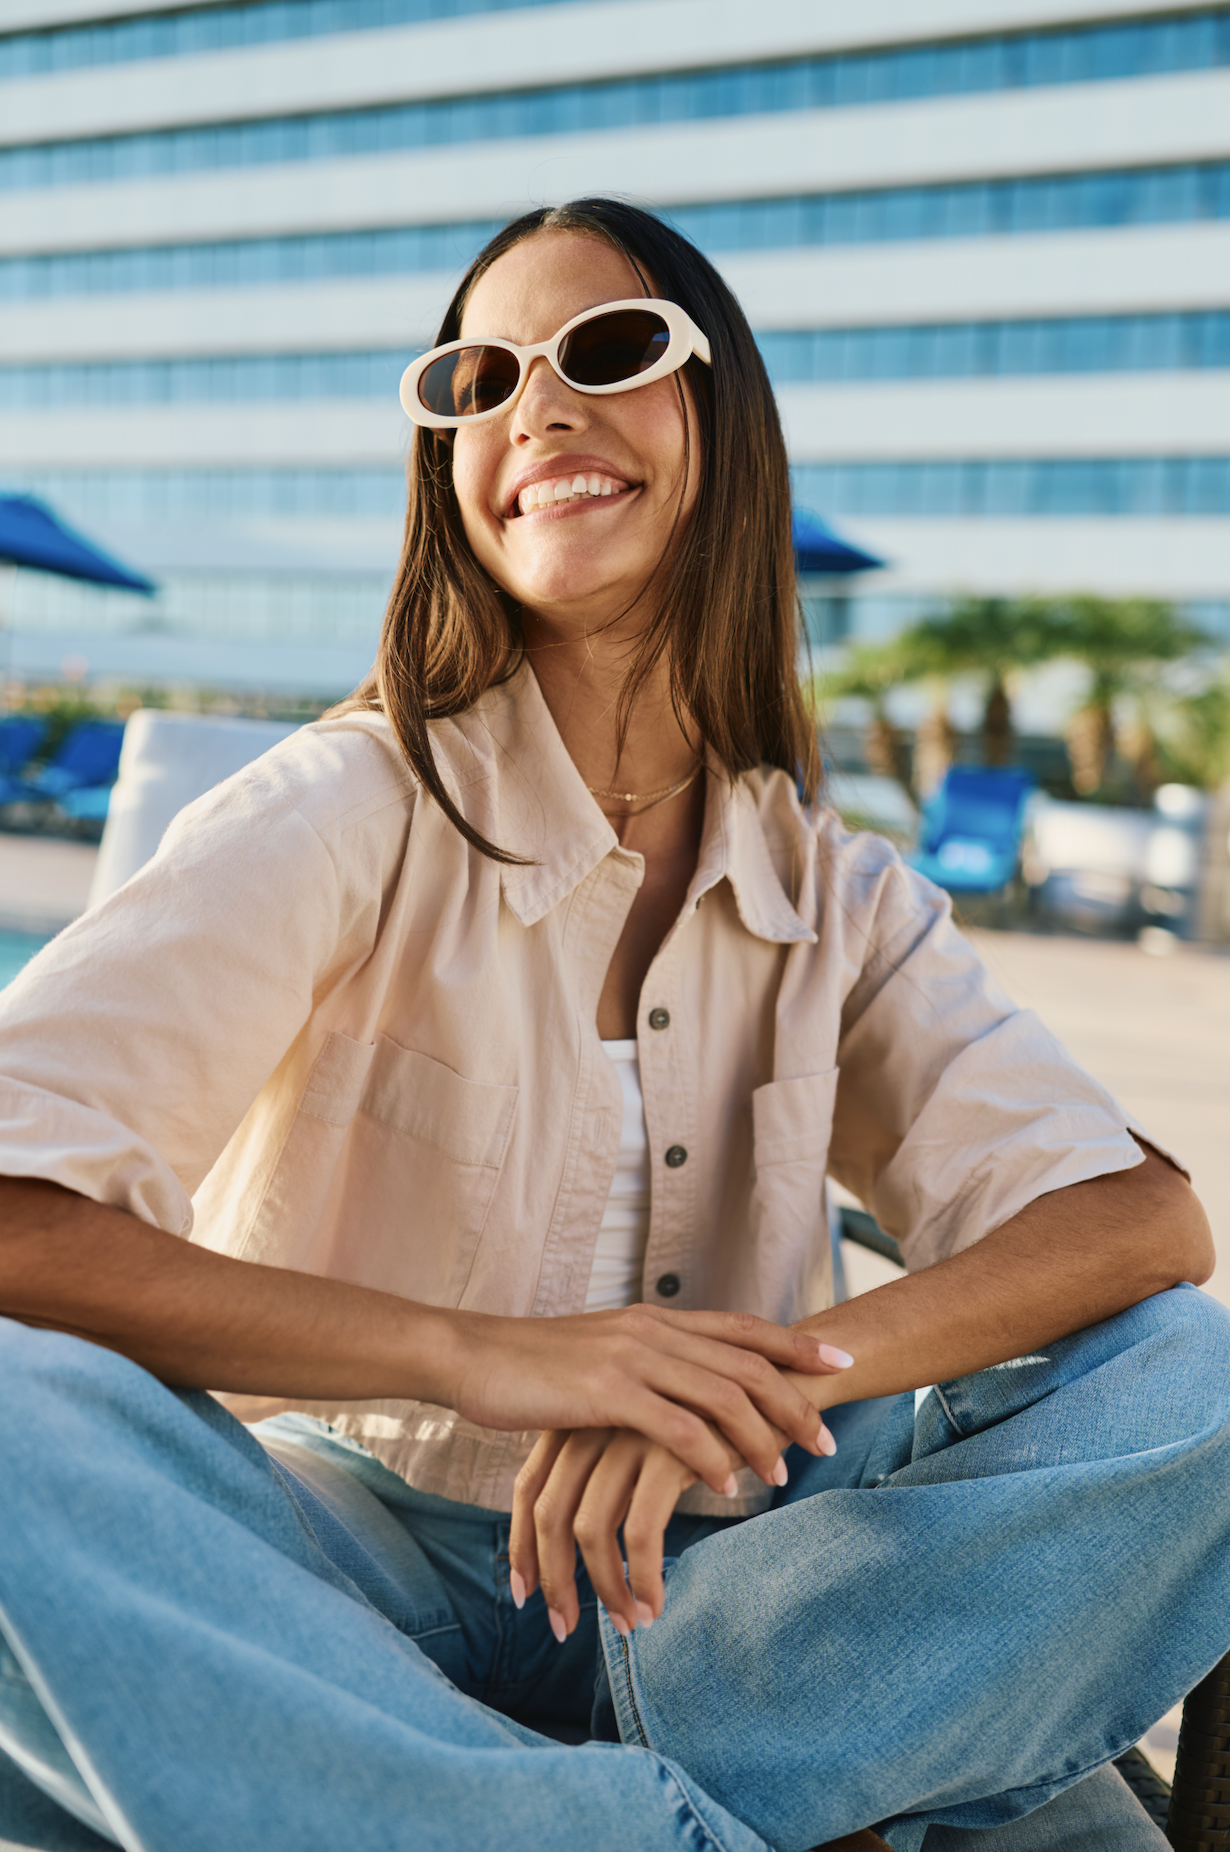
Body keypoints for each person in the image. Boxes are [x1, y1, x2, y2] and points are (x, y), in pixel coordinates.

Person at [0, 197, 1227, 1852]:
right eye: (479, 378)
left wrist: (734, 1388)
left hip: (751, 1600)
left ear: (720, 422)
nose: (537, 407)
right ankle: (678, 1821)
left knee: (1195, 1374)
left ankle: (606, 1782)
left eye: (606, 350)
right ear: (445, 469)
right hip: (354, 1581)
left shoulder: (837, 891)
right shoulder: (345, 806)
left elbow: (1138, 1218)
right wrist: (493, 1357)